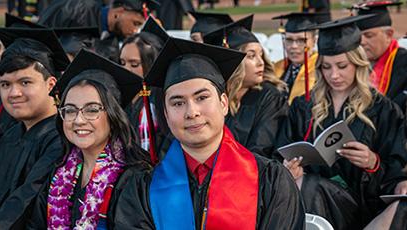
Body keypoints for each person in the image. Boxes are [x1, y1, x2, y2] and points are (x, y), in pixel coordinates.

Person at [112, 37, 305, 229]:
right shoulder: (143, 190)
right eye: (178, 103)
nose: (192, 112)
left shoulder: (271, 180)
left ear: (223, 103)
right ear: (166, 115)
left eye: (202, 97)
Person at [276, 15, 407, 229]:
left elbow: (395, 171)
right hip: (311, 199)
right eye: (326, 67)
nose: (334, 75)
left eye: (342, 66)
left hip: (362, 204)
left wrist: (373, 163)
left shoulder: (382, 109)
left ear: (357, 63)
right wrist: (289, 168)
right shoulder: (304, 106)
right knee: (308, 185)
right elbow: (280, 151)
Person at [27, 49, 151, 229]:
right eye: (70, 110)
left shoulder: (134, 178)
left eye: (92, 110)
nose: (78, 120)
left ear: (113, 115)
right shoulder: (56, 173)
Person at [0, 27, 70, 229]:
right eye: (5, 84)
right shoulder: (10, 134)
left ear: (51, 85)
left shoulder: (62, 138)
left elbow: (27, 199)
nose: (14, 93)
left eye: (25, 82)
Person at [204, 14, 288, 158]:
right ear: (233, 61)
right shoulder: (212, 97)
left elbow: (261, 149)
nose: (261, 62)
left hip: (252, 173)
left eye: (261, 55)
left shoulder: (270, 96)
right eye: (251, 56)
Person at [38, 0, 160, 61]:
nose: (135, 31)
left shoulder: (114, 45)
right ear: (119, 12)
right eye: (135, 23)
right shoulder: (74, 9)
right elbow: (39, 35)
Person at [119, 16, 169, 161]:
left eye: (134, 64)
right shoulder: (120, 95)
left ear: (151, 64)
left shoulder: (160, 100)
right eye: (122, 62)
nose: (126, 69)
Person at [353, 1, 407, 112]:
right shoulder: (352, 63)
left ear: (389, 34)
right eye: (358, 36)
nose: (362, 41)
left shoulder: (404, 63)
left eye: (369, 35)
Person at [272, 13, 319, 104]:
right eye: (289, 40)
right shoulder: (276, 68)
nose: (294, 46)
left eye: (301, 40)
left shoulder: (321, 69)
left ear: (314, 41)